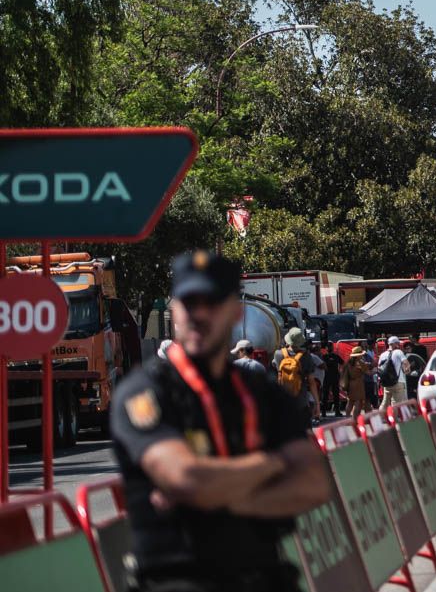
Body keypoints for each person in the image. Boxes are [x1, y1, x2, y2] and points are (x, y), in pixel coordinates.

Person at [110, 249, 331, 591]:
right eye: (189, 301)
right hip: (179, 579)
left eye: (211, 302)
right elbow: (187, 479)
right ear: (174, 308)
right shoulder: (146, 393)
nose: (199, 314)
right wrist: (272, 464)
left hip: (262, 575)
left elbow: (315, 481)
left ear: (235, 311)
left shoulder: (259, 391)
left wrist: (220, 499)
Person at [270, 329, 315, 428]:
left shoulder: (278, 354)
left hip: (283, 400)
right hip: (301, 400)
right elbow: (312, 382)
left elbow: (274, 366)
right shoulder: (306, 356)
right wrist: (317, 403)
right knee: (306, 432)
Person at [378, 337, 408, 409]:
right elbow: (406, 363)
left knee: (385, 403)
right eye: (397, 343)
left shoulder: (382, 354)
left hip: (387, 382)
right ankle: (394, 419)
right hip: (398, 381)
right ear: (395, 344)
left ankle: (381, 418)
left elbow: (379, 367)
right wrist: (407, 370)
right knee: (395, 404)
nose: (398, 345)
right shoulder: (398, 352)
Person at [342, 345, 372, 417]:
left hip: (350, 384)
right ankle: (355, 418)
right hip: (358, 384)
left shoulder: (348, 363)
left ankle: (347, 417)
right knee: (358, 402)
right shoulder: (360, 363)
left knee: (350, 402)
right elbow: (368, 372)